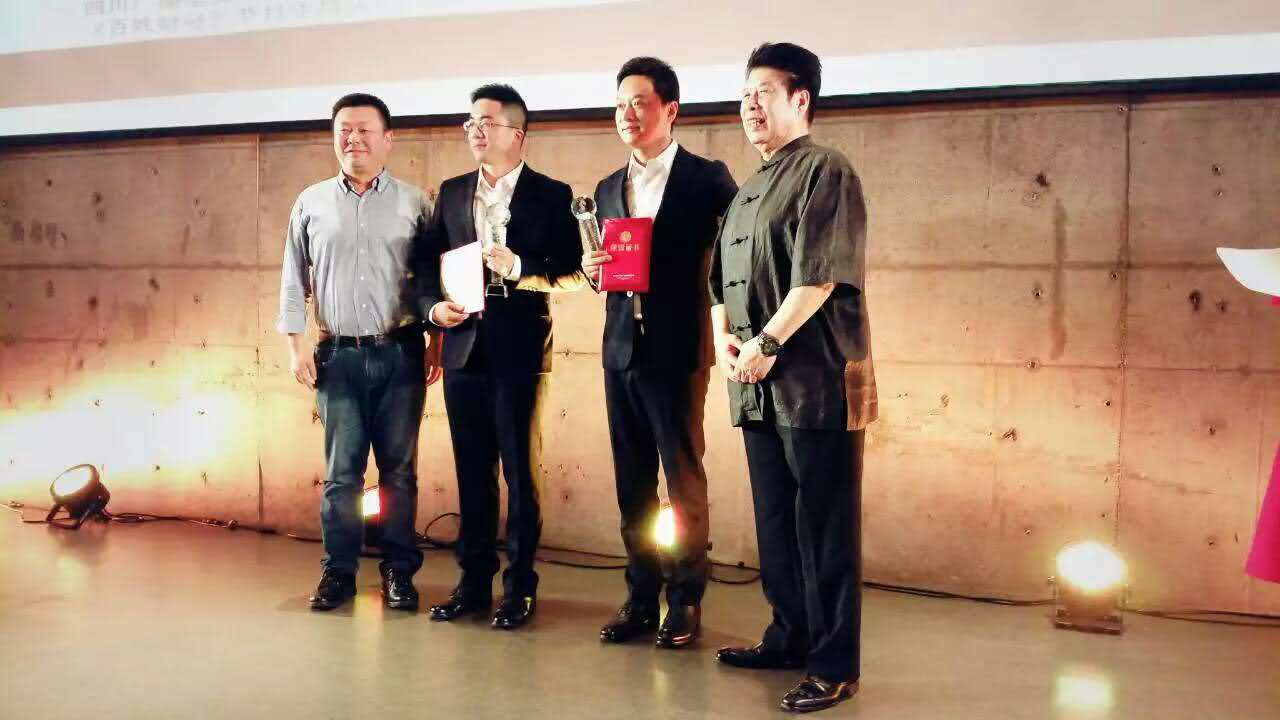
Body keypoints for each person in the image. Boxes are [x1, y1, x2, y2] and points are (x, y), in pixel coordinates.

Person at [708, 43, 878, 713]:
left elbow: (820, 274)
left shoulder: (825, 170)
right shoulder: (748, 188)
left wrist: (769, 341)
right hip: (754, 382)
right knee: (776, 522)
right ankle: (789, 636)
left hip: (817, 382)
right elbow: (718, 281)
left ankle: (835, 665)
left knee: (825, 528)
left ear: (800, 98)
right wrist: (723, 338)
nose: (750, 106)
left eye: (764, 93)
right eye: (745, 95)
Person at [582, 57, 737, 648]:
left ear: (670, 109)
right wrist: (593, 268)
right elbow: (602, 269)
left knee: (682, 478)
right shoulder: (606, 188)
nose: (628, 113)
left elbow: (737, 251)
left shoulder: (706, 177)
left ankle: (686, 598)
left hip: (678, 350)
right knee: (632, 483)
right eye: (620, 104)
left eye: (640, 102)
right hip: (620, 348)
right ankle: (641, 596)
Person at [417, 84, 582, 630]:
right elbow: (426, 266)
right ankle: (472, 583)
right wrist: (433, 309)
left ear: (517, 133)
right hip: (463, 347)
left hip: (520, 350)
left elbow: (574, 270)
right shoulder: (452, 192)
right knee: (472, 472)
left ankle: (520, 588)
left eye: (486, 122)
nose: (475, 132)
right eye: (470, 123)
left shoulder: (551, 194)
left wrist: (520, 268)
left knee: (520, 473)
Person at [277, 92, 438, 613]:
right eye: (344, 130)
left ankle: (398, 571)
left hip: (401, 354)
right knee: (342, 476)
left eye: (365, 130)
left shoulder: (416, 204)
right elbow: (293, 279)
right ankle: (338, 573)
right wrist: (296, 343)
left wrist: (436, 343)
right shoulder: (311, 202)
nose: (354, 139)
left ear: (388, 139)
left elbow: (433, 281)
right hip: (338, 358)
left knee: (399, 474)